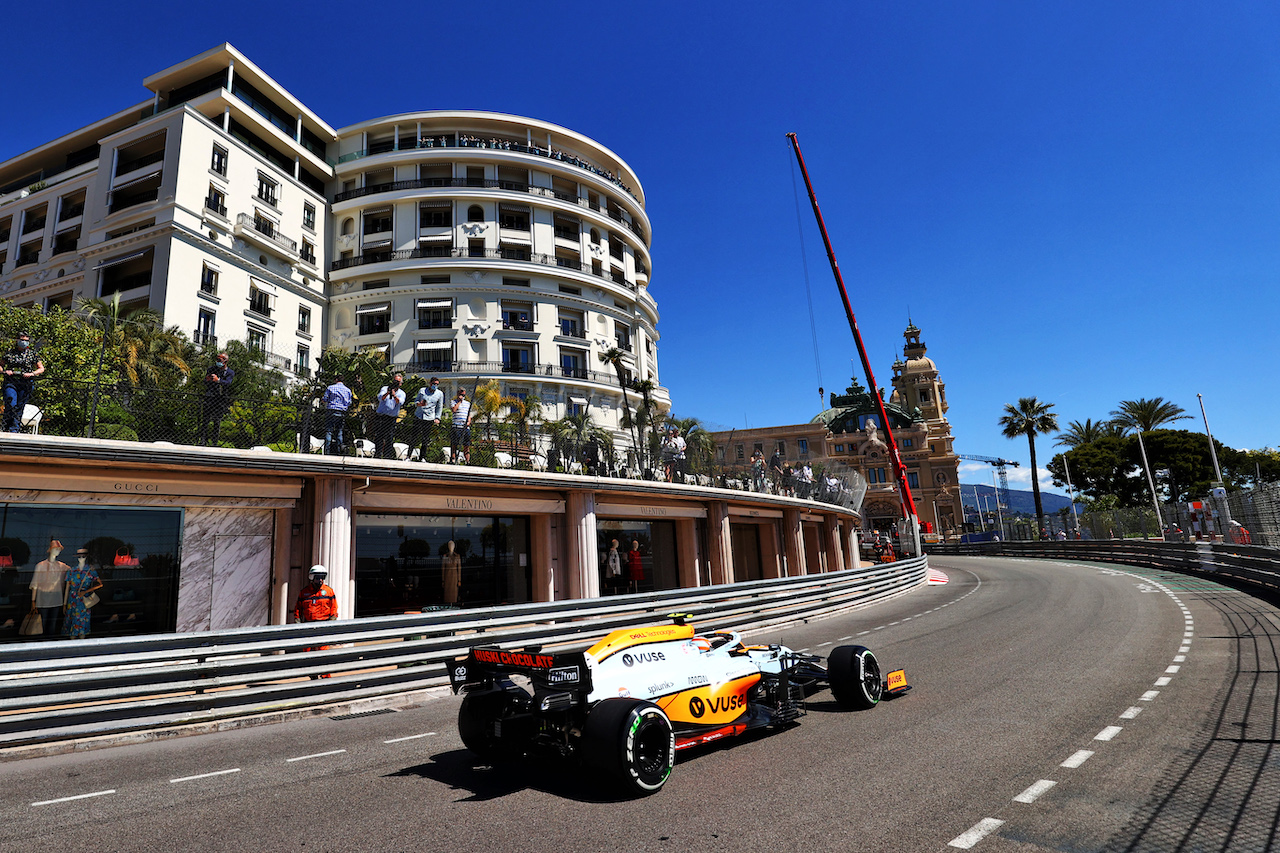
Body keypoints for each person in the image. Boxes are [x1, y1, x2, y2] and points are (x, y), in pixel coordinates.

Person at [294, 565, 338, 678]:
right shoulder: (304, 593)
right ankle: (312, 675)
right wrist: (298, 621)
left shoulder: (328, 591)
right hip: (309, 626)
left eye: (322, 577)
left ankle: (325, 677)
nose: (320, 580)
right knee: (308, 652)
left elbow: (334, 608)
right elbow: (298, 608)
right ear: (312, 577)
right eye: (318, 577)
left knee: (323, 653)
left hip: (323, 625)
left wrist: (332, 621)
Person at [2, 331, 44, 433]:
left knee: (20, 406)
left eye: (26, 341)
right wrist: (4, 371)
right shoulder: (9, 353)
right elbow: (1, 365)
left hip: (25, 383)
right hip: (11, 382)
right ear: (17, 340)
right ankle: (5, 426)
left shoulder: (32, 354)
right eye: (22, 340)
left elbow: (41, 368)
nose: (24, 342)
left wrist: (32, 374)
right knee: (11, 403)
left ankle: (14, 429)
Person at [29, 538, 68, 638]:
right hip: (43, 599)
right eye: (55, 549)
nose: (57, 551)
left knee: (52, 624)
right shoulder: (40, 565)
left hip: (57, 598)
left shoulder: (62, 566)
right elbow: (35, 584)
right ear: (50, 549)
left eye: (59, 549)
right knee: (41, 623)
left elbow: (74, 571)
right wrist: (33, 601)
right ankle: (40, 643)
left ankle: (49, 642)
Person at [63, 548, 103, 640]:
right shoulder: (71, 571)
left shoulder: (90, 571)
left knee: (82, 624)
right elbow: (67, 588)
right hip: (72, 599)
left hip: (84, 599)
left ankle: (82, 643)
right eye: (79, 556)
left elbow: (100, 584)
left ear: (86, 557)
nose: (81, 558)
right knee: (72, 622)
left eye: (83, 556)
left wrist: (86, 591)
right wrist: (64, 604)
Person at [198, 352, 234, 446]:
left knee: (217, 421)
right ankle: (203, 441)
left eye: (220, 360)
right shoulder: (212, 369)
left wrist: (218, 380)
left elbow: (228, 383)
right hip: (210, 397)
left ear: (225, 361)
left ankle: (214, 442)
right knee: (205, 420)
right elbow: (205, 381)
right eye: (217, 359)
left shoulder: (230, 372)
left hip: (220, 399)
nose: (218, 362)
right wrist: (208, 379)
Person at [373, 373, 405, 459]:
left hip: (391, 418)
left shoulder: (402, 393)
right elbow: (380, 398)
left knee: (389, 437)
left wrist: (394, 395)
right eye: (395, 381)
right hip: (381, 416)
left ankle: (387, 455)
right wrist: (388, 392)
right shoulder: (384, 388)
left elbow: (400, 402)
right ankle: (378, 454)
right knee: (379, 435)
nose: (396, 383)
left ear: (401, 383)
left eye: (398, 382)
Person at [413, 377, 445, 462]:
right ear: (430, 383)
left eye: (437, 384)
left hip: (429, 418)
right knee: (414, 437)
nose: (435, 386)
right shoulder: (422, 390)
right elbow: (415, 402)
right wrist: (420, 404)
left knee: (425, 438)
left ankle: (422, 457)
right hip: (419, 416)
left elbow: (439, 406)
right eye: (434, 384)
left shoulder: (440, 394)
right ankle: (408, 456)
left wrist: (437, 417)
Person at [321, 377, 354, 455]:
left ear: (336, 380)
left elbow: (325, 399)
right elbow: (349, 403)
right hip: (342, 412)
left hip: (331, 411)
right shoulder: (348, 390)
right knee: (339, 432)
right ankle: (339, 451)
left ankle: (327, 451)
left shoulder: (330, 388)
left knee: (329, 431)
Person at [450, 387, 472, 464]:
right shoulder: (453, 402)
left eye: (463, 395)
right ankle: (453, 459)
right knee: (454, 444)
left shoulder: (468, 404)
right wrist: (459, 402)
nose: (462, 396)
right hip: (457, 426)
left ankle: (467, 461)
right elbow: (454, 410)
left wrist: (468, 422)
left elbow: (469, 414)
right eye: (460, 394)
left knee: (466, 445)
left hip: (465, 427)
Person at [441, 540, 462, 605]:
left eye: (452, 545)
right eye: (450, 545)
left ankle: (454, 603)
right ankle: (448, 604)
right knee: (447, 593)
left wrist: (459, 580)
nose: (451, 547)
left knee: (454, 593)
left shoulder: (457, 556)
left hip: (454, 577)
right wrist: (443, 580)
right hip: (447, 577)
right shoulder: (445, 556)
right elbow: (443, 569)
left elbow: (459, 568)